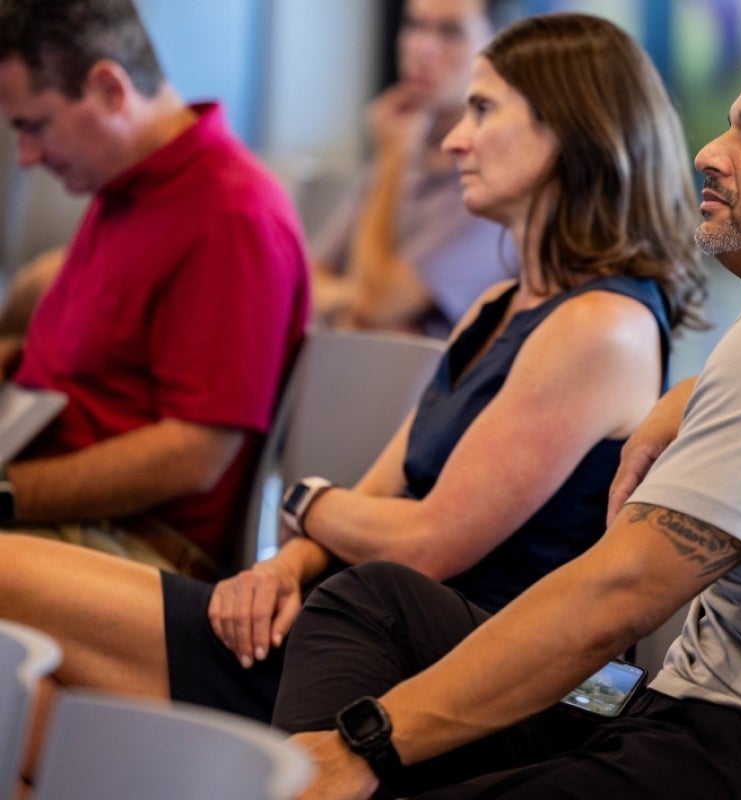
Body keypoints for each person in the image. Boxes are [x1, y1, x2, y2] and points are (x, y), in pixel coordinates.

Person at [270, 38, 741, 800]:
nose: (709, 152)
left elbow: (617, 596)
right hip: (712, 716)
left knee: (368, 731)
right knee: (376, 602)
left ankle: (314, 776)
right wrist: (694, 394)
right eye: (732, 125)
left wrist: (366, 742)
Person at [0, 8, 704, 742]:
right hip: (362, 623)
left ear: (569, 132)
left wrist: (307, 504)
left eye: (483, 109)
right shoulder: (498, 306)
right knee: (32, 700)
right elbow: (381, 486)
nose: (456, 137)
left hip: (454, 678)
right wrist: (286, 564)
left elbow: (428, 541)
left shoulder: (601, 326)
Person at [0, 0, 309, 576]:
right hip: (59, 518)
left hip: (138, 547)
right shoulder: (122, 187)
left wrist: (11, 491)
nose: (26, 157)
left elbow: (195, 454)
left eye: (35, 125)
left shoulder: (230, 214)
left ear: (109, 89)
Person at [309, 0, 512, 338]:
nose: (423, 47)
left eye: (450, 32)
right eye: (415, 26)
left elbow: (377, 303)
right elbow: (308, 276)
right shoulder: (406, 145)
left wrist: (392, 159)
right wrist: (350, 306)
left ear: (498, 47)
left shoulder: (495, 178)